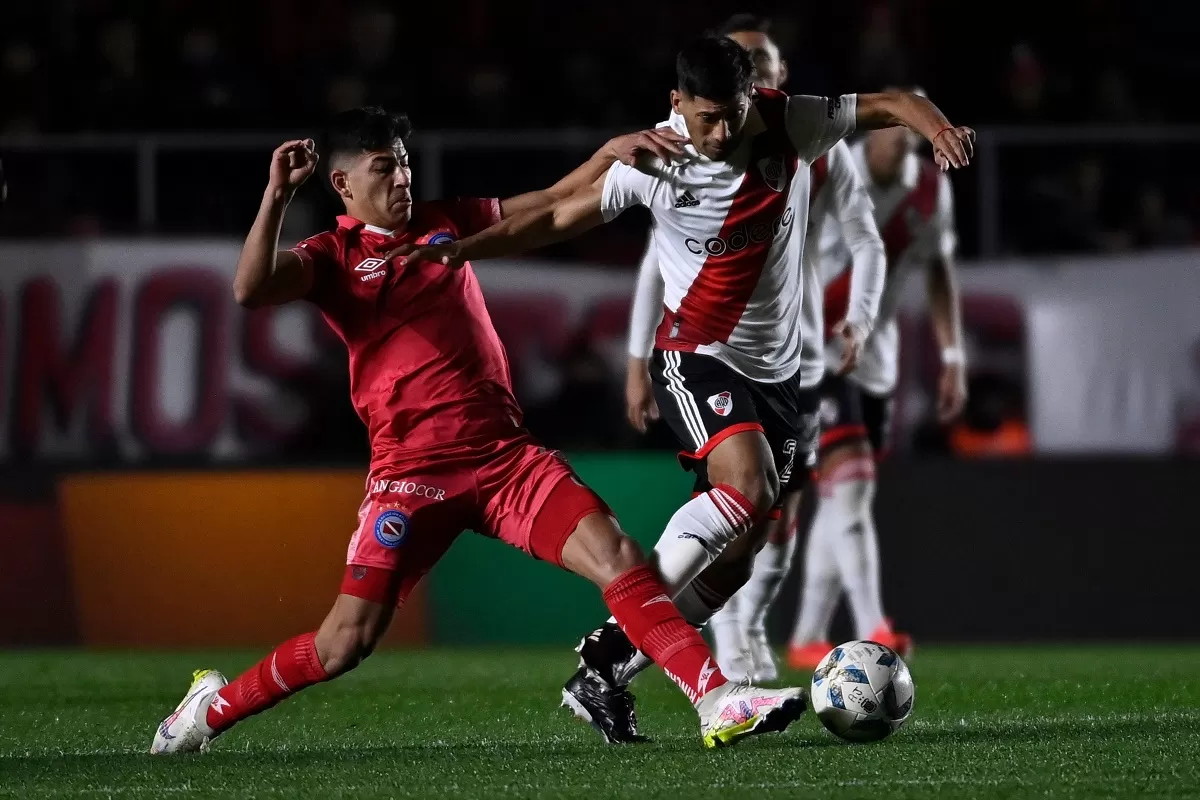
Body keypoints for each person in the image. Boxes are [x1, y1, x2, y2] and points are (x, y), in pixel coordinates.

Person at [150, 107, 812, 755]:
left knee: (619, 557)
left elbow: (548, 202)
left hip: (506, 462)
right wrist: (274, 195)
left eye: (406, 165)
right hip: (412, 477)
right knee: (343, 643)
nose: (404, 180)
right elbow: (250, 288)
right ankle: (211, 709)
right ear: (343, 184)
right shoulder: (334, 256)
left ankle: (715, 699)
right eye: (385, 169)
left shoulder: (446, 222)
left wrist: (606, 154)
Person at [393, 38, 974, 743]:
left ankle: (606, 664)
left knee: (743, 549)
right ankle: (670, 670)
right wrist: (462, 253)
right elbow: (553, 215)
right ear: (677, 105)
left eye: (732, 115)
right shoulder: (655, 159)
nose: (722, 133)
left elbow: (888, 102)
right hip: (696, 355)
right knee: (748, 491)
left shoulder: (789, 121)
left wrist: (935, 127)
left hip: (779, 372)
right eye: (706, 119)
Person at [622, 13, 887, 687]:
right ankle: (721, 641)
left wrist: (857, 319)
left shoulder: (816, 140)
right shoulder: (689, 155)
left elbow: (865, 238)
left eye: (762, 65)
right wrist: (633, 358)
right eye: (744, 64)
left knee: (777, 512)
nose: (757, 76)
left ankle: (721, 629)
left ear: (774, 78)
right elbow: (659, 260)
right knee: (743, 492)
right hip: (716, 352)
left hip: (802, 357)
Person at [787, 90, 967, 670]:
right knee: (853, 486)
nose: (899, 136)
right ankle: (873, 627)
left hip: (875, 361)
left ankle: (808, 636)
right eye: (892, 125)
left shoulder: (929, 189)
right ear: (879, 126)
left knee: (841, 498)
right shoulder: (831, 166)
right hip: (819, 351)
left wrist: (953, 356)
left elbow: (938, 270)